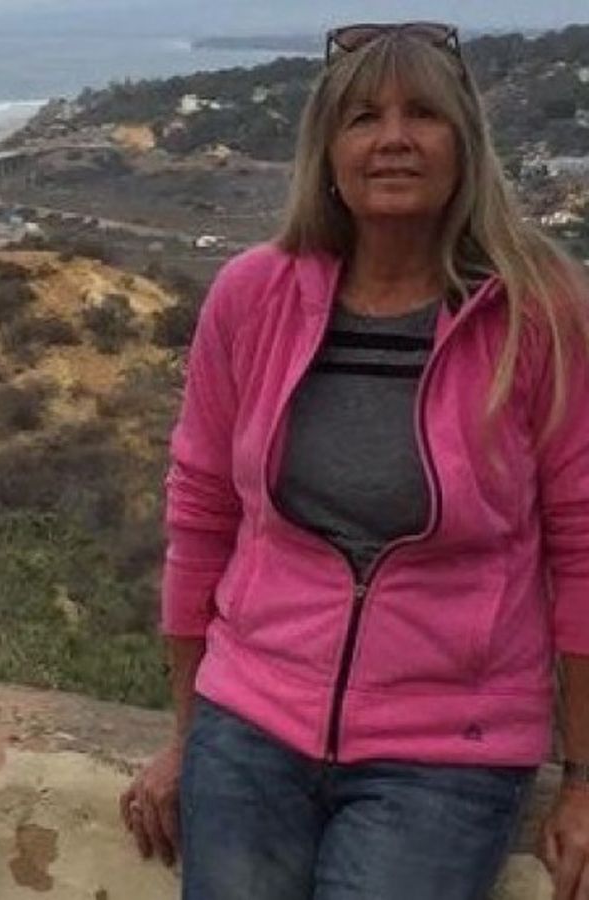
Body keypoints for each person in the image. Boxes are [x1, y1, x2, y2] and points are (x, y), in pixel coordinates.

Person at [119, 21, 589, 900]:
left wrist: (584, 781)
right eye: (364, 118)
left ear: (466, 144)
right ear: (328, 152)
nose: (394, 138)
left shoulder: (539, 314)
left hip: (448, 750)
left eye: (424, 114)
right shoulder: (253, 297)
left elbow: (582, 546)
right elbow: (201, 514)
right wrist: (185, 735)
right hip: (250, 723)